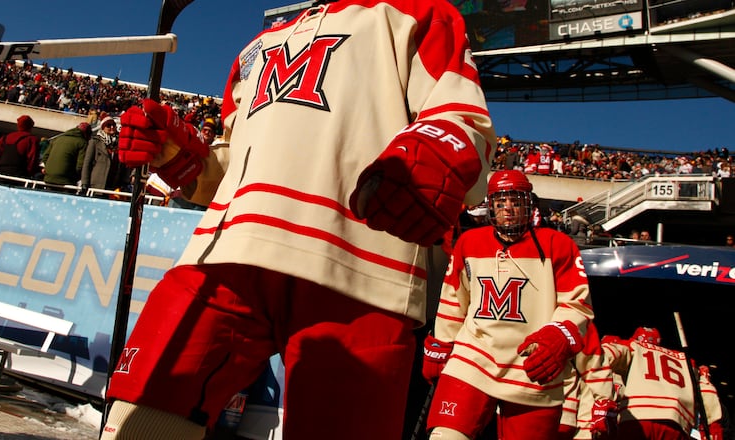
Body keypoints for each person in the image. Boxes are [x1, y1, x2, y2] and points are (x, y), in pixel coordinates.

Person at [101, 0, 495, 438]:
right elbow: (230, 165)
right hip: (226, 250)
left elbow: (462, 119)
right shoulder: (255, 48)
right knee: (140, 416)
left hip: (358, 263)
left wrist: (438, 154)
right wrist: (179, 155)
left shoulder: (420, 13)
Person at [422, 170, 594, 440]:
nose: (508, 209)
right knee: (445, 437)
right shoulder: (469, 242)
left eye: (515, 201)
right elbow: (454, 298)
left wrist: (557, 336)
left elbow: (577, 303)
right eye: (501, 202)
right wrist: (443, 343)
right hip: (473, 358)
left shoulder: (559, 245)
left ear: (528, 204)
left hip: (532, 366)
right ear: (491, 206)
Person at [602, 327, 724, 440]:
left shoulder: (633, 346)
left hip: (637, 418)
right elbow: (707, 391)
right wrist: (714, 425)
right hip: (676, 423)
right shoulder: (686, 361)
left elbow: (605, 355)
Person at [80, 116, 130, 195]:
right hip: (97, 184)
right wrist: (85, 183)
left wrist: (124, 181)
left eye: (113, 125)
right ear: (103, 128)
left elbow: (124, 164)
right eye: (108, 125)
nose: (112, 127)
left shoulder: (120, 142)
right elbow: (87, 163)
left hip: (114, 185)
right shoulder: (95, 142)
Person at [42, 122, 91, 191]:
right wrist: (75, 177)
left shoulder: (57, 139)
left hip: (48, 178)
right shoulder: (82, 143)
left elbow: (45, 157)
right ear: (87, 134)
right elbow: (80, 165)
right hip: (66, 180)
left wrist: (48, 169)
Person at [0, 115, 39, 179]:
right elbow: (32, 160)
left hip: (0, 172)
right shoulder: (32, 139)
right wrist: (29, 173)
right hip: (19, 175)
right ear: (30, 127)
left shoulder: (6, 137)